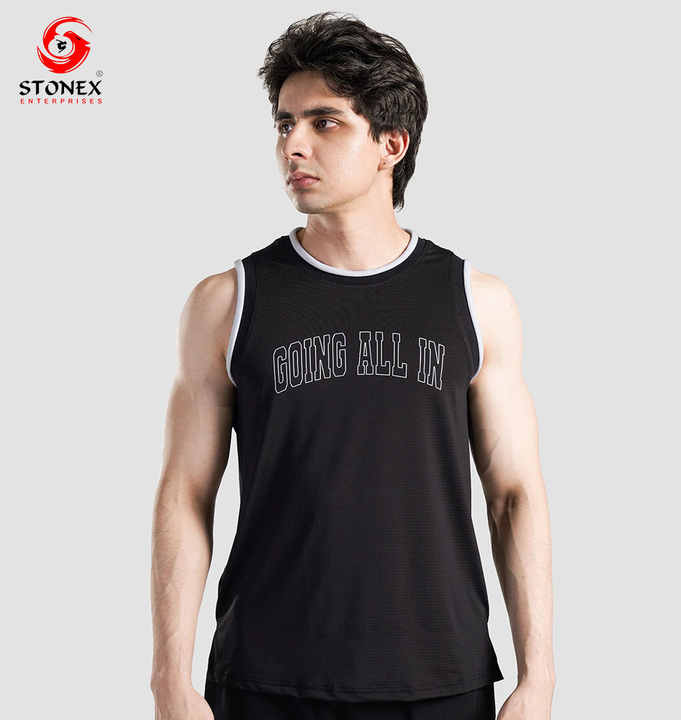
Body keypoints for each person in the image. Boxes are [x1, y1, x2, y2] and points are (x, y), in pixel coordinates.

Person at [150, 11, 555, 720]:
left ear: (390, 144)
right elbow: (185, 493)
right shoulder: (227, 302)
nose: (293, 144)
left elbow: (514, 494)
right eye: (284, 123)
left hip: (440, 677)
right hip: (265, 679)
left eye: (324, 122)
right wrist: (168, 679)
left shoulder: (476, 300)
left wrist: (539, 676)